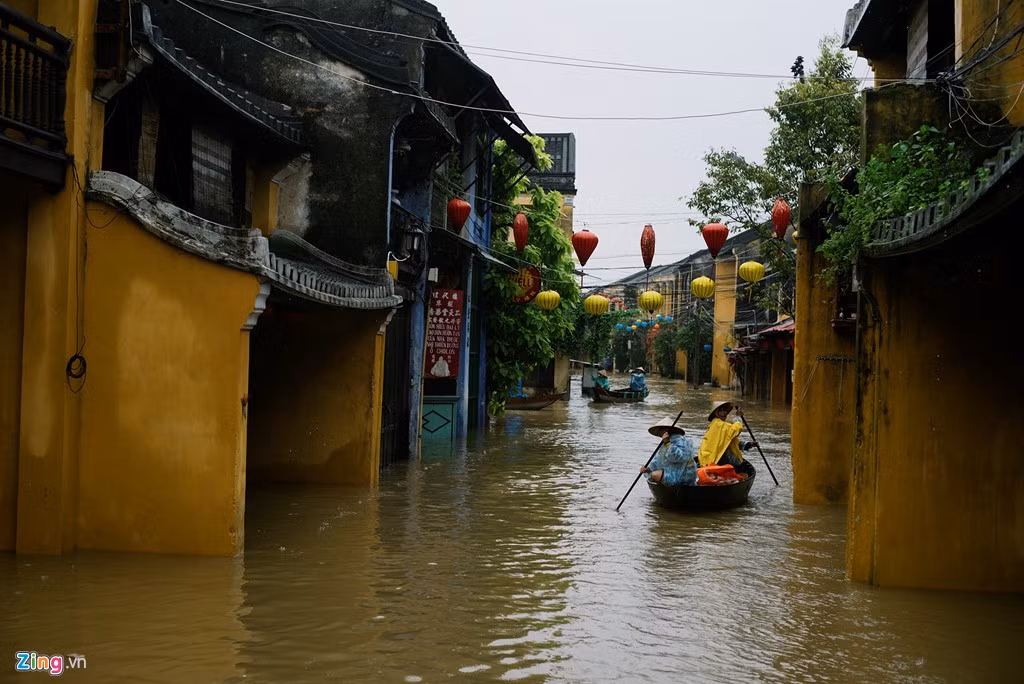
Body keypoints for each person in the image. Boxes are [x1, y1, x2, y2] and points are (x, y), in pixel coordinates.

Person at [697, 401, 758, 468]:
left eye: (724, 410)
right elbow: (736, 430)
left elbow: (729, 441)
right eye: (721, 411)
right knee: (739, 465)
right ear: (717, 413)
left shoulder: (722, 424)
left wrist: (748, 444)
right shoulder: (718, 424)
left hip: (710, 459)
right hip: (712, 460)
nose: (723, 413)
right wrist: (738, 418)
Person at [640, 418, 697, 487]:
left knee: (654, 475)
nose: (659, 432)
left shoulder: (680, 440)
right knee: (651, 474)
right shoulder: (665, 442)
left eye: (660, 430)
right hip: (674, 472)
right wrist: (648, 469)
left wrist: (668, 443)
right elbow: (657, 460)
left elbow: (678, 457)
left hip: (684, 476)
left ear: (666, 430)